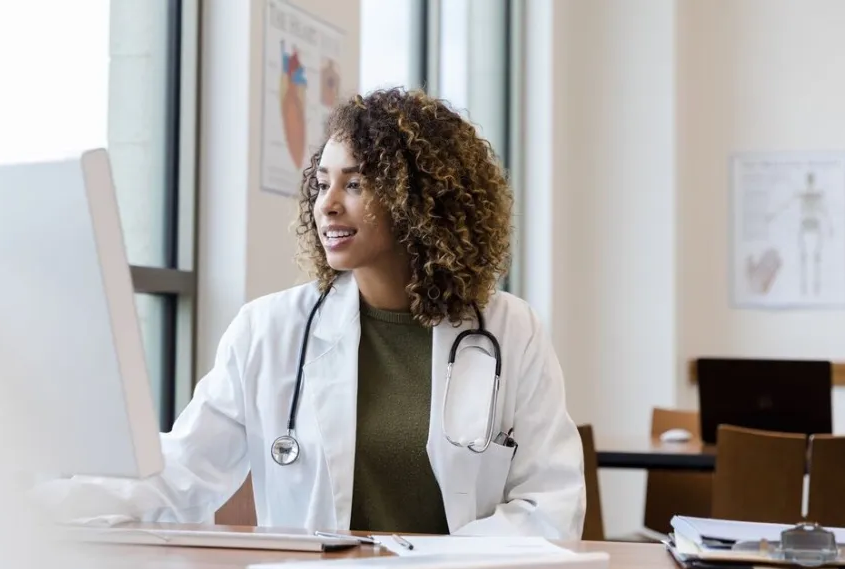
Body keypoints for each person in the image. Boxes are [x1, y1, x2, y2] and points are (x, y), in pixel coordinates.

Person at [36, 88, 586, 539]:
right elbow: (179, 475)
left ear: (418, 200)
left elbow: (551, 504)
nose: (326, 203)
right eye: (323, 183)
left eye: (355, 183)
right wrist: (38, 499)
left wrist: (427, 560)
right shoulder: (269, 331)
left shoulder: (511, 331)